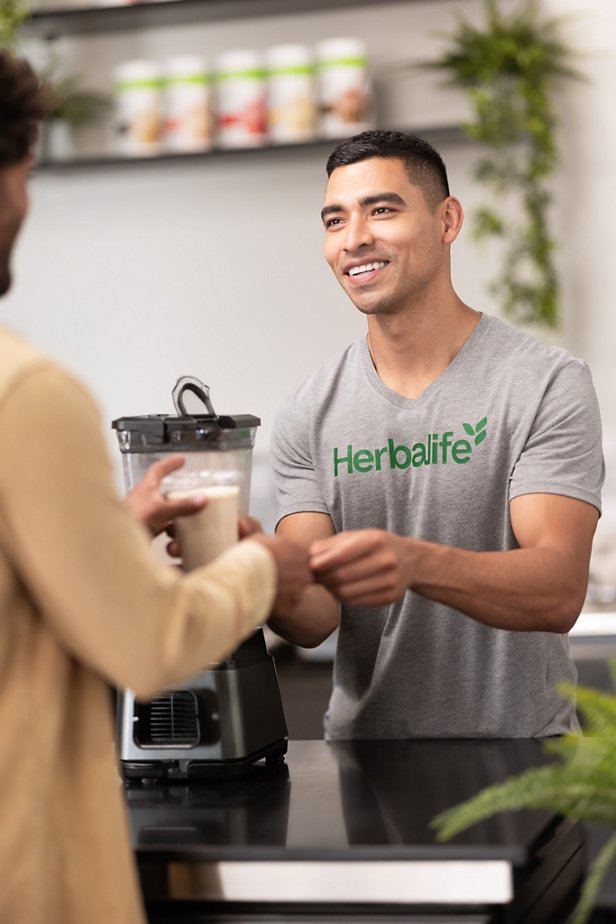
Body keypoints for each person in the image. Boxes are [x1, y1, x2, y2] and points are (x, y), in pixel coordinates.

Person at [0, 51, 311, 924]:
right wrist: (262, 569)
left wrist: (105, 532)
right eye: (23, 173)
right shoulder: (28, 393)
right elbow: (150, 644)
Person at [270, 129, 605, 740]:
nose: (354, 238)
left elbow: (558, 591)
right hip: (365, 760)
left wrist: (414, 562)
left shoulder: (544, 383)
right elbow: (314, 620)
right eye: (335, 220)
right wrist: (258, 571)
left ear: (447, 220)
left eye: (381, 210)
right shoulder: (307, 412)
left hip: (526, 757)